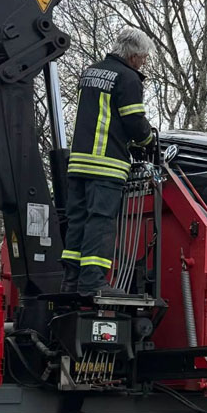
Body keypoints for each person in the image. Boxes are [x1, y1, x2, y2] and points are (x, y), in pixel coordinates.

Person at [60, 27, 155, 296]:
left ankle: (71, 281)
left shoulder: (91, 72)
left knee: (77, 219)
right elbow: (134, 121)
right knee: (100, 221)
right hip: (106, 164)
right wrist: (148, 142)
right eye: (144, 57)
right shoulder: (128, 78)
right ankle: (93, 283)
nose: (144, 62)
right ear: (134, 55)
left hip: (79, 163)